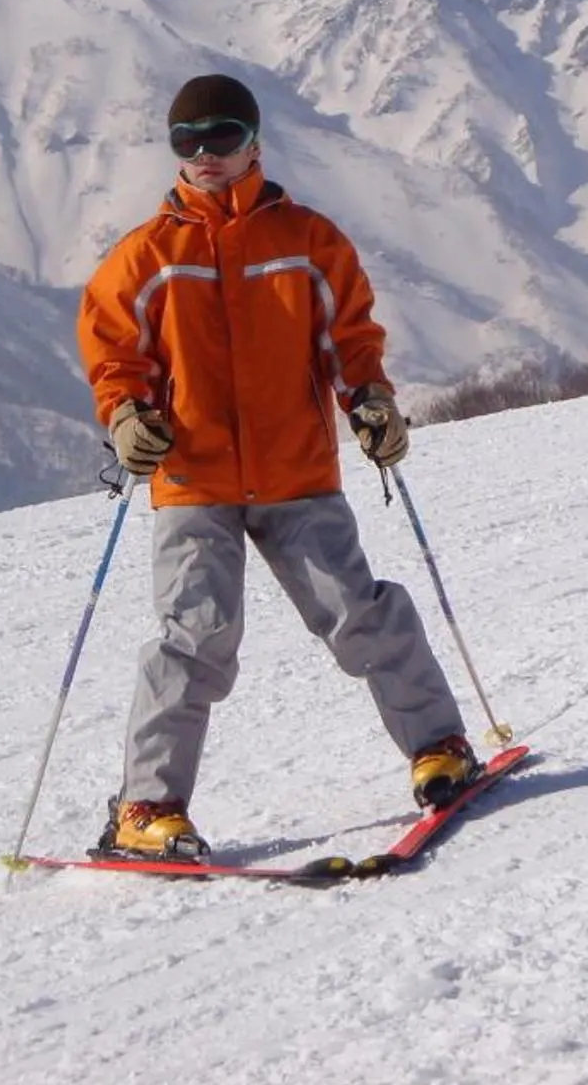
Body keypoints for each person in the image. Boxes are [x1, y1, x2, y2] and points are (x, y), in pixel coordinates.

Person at [76, 73, 478, 859]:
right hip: (192, 479)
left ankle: (440, 748)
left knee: (356, 611)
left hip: (295, 471)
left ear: (255, 142)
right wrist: (125, 417)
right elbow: (114, 356)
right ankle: (148, 809)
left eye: (221, 137)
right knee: (194, 638)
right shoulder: (146, 256)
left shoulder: (307, 241)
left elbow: (351, 340)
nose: (205, 156)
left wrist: (372, 401)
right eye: (187, 142)